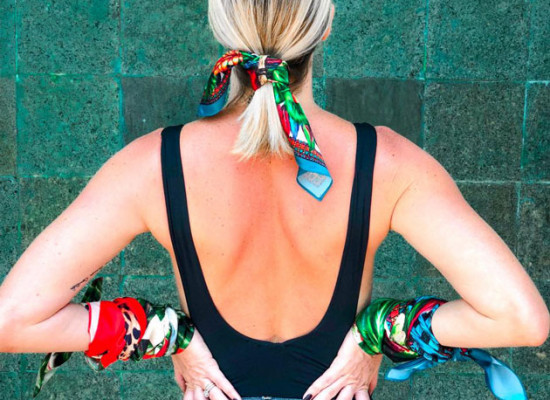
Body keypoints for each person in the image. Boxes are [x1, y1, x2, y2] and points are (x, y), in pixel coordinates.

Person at [0, 1, 548, 400]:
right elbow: (521, 319)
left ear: (221, 27)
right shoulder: (388, 164)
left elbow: (12, 322)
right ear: (325, 24)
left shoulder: (150, 166)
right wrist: (379, 330)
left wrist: (166, 332)